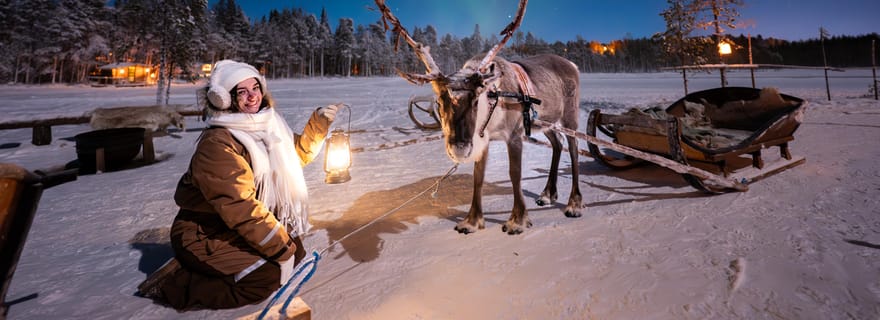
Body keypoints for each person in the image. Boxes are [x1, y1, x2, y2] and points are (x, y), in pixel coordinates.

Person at [144, 60, 338, 310]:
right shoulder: (217, 143)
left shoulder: (268, 124)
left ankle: (230, 265)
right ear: (225, 99)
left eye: (255, 88)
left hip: (235, 225)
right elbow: (240, 206)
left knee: (295, 250)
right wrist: (280, 249)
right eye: (241, 92)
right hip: (205, 231)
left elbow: (295, 155)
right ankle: (177, 283)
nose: (251, 97)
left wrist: (318, 126)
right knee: (266, 276)